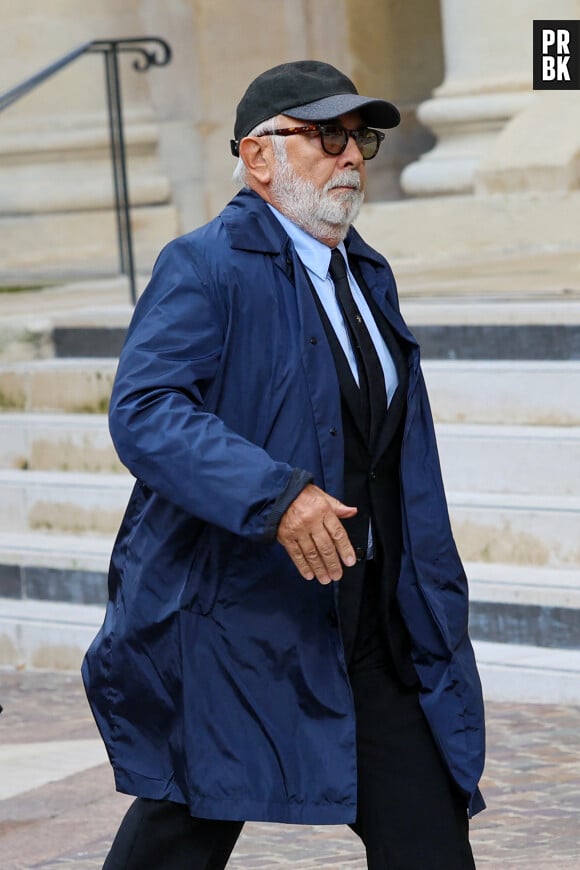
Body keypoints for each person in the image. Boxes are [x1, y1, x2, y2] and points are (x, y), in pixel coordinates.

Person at [83, 60, 485, 869]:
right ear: (259, 156)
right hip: (241, 624)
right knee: (179, 833)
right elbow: (145, 410)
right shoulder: (203, 266)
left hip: (369, 624)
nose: (352, 157)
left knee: (429, 836)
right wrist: (278, 497)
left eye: (360, 137)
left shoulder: (366, 274)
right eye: (328, 136)